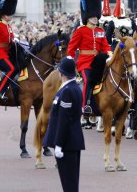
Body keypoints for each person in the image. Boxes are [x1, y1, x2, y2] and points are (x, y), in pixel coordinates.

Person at [43, 56, 85, 192]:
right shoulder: (74, 88)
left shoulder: (67, 91)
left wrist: (59, 144)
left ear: (61, 73)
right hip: (72, 141)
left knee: (69, 184)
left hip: (66, 143)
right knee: (71, 183)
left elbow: (63, 119)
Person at [67, 0, 112, 115]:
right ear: (88, 17)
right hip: (84, 62)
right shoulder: (80, 31)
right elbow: (72, 47)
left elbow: (105, 45)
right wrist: (70, 60)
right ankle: (84, 105)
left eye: (96, 16)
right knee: (87, 80)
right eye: (93, 16)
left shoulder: (100, 31)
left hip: (97, 62)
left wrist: (110, 54)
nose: (95, 18)